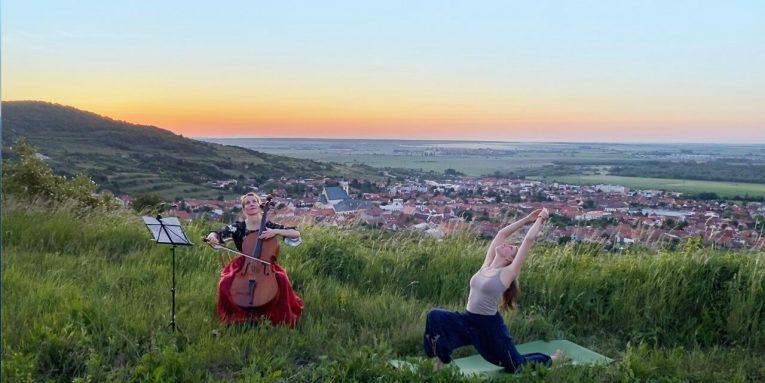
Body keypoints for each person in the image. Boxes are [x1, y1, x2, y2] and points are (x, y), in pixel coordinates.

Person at [423, 207, 563, 372]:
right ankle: (440, 360)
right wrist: (527, 218)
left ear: (510, 258)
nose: (506, 244)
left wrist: (541, 218)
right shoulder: (486, 265)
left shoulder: (507, 273)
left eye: (510, 248)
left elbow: (528, 240)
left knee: (516, 365)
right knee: (435, 316)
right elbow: (501, 234)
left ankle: (552, 360)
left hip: (489, 328)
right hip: (467, 320)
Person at [205, 192, 303, 327]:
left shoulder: (268, 225)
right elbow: (218, 233)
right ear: (244, 208)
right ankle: (235, 316)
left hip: (266, 264)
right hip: (244, 264)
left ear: (259, 205)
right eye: (247, 203)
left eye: (254, 202)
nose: (251, 204)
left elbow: (295, 233)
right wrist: (212, 237)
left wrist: (274, 232)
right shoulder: (239, 227)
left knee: (281, 279)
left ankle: (278, 317)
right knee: (225, 282)